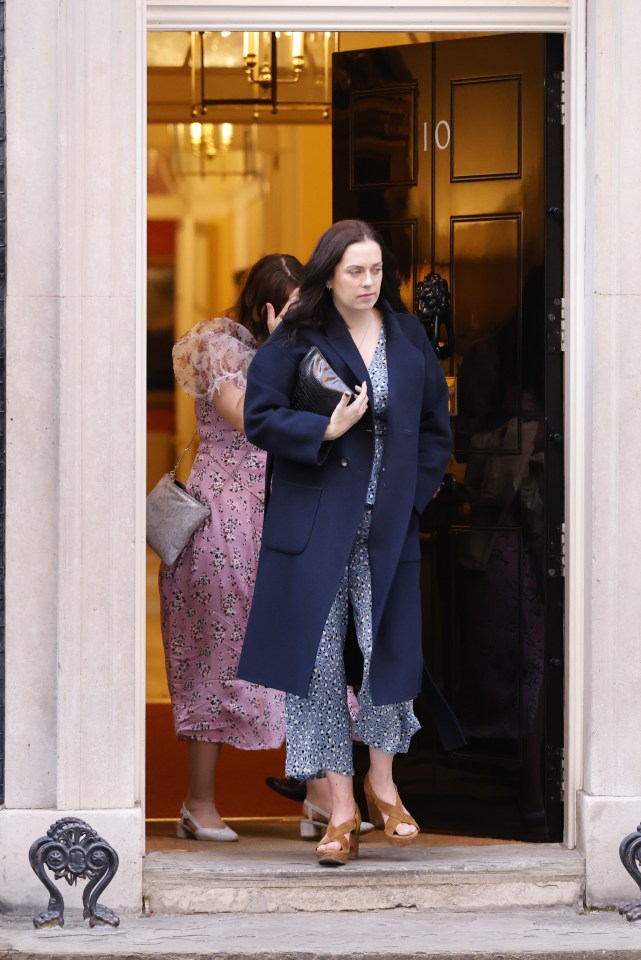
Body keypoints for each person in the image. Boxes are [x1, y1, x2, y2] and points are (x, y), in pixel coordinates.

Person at [237, 220, 460, 866]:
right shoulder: (298, 335)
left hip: (387, 523)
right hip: (312, 523)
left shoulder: (407, 334)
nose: (368, 283)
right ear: (328, 274)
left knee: (390, 649)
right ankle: (339, 809)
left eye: (375, 271)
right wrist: (322, 427)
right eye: (354, 271)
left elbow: (434, 430)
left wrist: (411, 499)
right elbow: (259, 416)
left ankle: (382, 783)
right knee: (314, 664)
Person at [158, 253, 303, 842]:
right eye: (292, 310)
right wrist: (278, 354)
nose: (301, 321)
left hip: (279, 512)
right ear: (266, 305)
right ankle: (198, 802)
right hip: (223, 516)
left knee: (302, 649)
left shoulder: (298, 350)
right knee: (215, 651)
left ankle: (322, 794)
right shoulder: (221, 345)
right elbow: (249, 417)